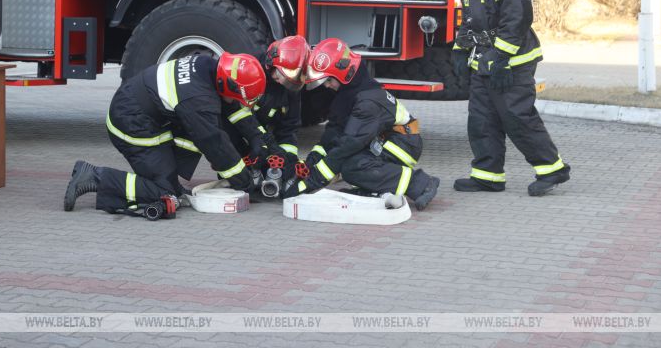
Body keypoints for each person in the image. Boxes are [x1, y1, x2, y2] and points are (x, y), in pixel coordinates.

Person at [451, 0, 570, 196]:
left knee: (516, 115)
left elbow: (516, 16)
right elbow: (471, 16)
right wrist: (458, 48)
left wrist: (501, 56)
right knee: (482, 118)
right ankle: (487, 175)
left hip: (512, 60)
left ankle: (552, 170)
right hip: (484, 59)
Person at [63, 52, 267, 218]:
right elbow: (213, 143)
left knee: (178, 174)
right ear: (227, 83)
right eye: (237, 97)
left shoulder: (208, 65)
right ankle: (95, 177)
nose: (237, 102)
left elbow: (225, 110)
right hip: (131, 124)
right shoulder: (197, 99)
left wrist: (256, 138)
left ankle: (169, 180)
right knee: (164, 193)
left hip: (141, 111)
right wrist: (243, 181)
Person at [282, 38, 440, 211]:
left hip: (403, 144)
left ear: (342, 74)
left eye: (328, 80)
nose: (327, 86)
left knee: (352, 166)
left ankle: (419, 183)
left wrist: (311, 183)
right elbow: (333, 134)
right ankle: (373, 189)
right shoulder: (350, 93)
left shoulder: (367, 103)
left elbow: (348, 144)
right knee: (347, 158)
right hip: (384, 140)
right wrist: (311, 164)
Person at [222, 35, 309, 195]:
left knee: (273, 168)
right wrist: (263, 141)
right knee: (241, 174)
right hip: (238, 132)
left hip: (260, 137)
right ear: (272, 63)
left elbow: (289, 127)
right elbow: (236, 114)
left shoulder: (290, 86)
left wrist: (287, 158)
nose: (284, 82)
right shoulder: (248, 69)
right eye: (283, 75)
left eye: (291, 79)